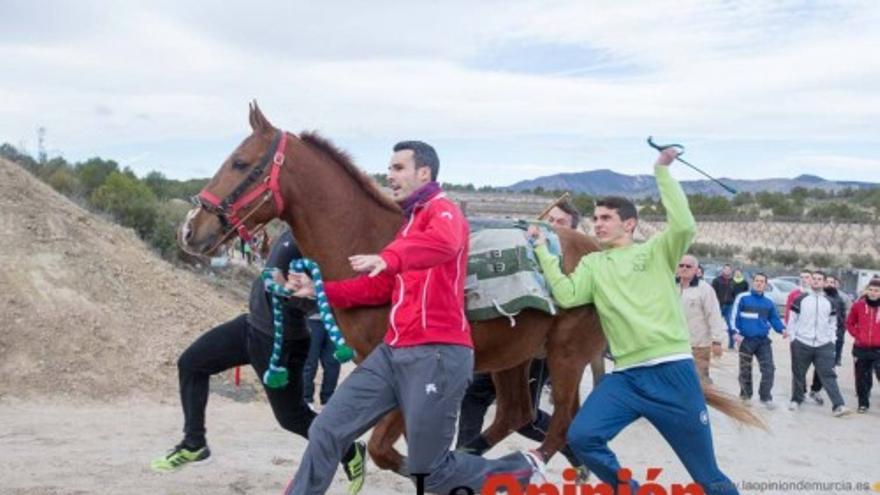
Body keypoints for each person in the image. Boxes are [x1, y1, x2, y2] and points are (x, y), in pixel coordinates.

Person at [284, 141, 544, 495]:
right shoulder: (410, 224)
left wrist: (389, 258)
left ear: (424, 173)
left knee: (430, 472)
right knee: (327, 429)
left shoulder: (444, 211)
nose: (390, 176)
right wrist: (321, 291)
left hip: (436, 354)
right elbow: (381, 289)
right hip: (393, 353)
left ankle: (519, 470)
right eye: (389, 168)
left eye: (398, 168)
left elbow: (445, 245)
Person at [529, 147, 738, 494]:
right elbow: (566, 295)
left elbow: (684, 224)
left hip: (673, 374)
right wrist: (540, 248)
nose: (598, 224)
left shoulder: (656, 251)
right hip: (626, 377)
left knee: (707, 476)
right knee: (582, 437)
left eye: (606, 218)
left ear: (629, 223)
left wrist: (662, 171)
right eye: (596, 218)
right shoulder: (594, 265)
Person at [150, 230, 366, 492]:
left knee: (292, 418)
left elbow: (320, 303)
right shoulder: (291, 229)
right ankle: (194, 444)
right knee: (192, 363)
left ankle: (349, 450)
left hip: (283, 342)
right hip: (251, 326)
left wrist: (292, 291)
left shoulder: (318, 240)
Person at [456, 196, 590, 482]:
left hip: (538, 332)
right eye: (549, 219)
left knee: (523, 418)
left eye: (559, 224)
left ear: (571, 230)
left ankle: (575, 450)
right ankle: (462, 458)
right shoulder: (531, 245)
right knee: (477, 397)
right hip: (511, 329)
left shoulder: (570, 257)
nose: (550, 226)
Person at [786, 271, 851, 416]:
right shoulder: (800, 299)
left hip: (824, 345)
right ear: (810, 282)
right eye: (814, 279)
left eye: (819, 279)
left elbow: (833, 324)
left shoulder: (830, 301)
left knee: (829, 374)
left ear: (823, 282)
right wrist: (793, 339)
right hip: (802, 342)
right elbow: (792, 321)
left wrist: (831, 341)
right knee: (798, 374)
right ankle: (796, 400)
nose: (816, 281)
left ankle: (838, 406)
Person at [729, 273, 785, 409]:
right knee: (745, 370)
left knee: (769, 369)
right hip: (746, 340)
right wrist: (735, 333)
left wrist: (782, 329)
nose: (759, 283)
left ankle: (765, 397)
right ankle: (745, 396)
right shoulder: (742, 298)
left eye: (762, 282)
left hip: (763, 341)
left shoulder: (769, 302)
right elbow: (733, 317)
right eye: (757, 281)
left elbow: (775, 319)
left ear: (766, 285)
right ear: (752, 282)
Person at [677, 254, 727, 384]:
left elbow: (714, 315)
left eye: (688, 266)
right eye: (681, 265)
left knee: (700, 382)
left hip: (698, 346)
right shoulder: (671, 287)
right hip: (675, 345)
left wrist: (717, 341)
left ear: (696, 270)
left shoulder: (705, 289)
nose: (684, 268)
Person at [845, 277, 880, 413]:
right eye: (871, 290)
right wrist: (857, 335)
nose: (873, 293)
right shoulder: (858, 305)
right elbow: (849, 323)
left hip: (878, 349)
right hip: (861, 348)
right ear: (866, 291)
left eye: (877, 291)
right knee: (861, 377)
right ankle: (863, 403)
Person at [302, 311, 342, 410]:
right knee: (310, 363)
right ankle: (306, 400)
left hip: (333, 320)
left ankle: (328, 400)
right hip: (311, 320)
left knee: (333, 363)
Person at [712, 263, 737, 349]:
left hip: (729, 306)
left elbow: (735, 294)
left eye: (728, 269)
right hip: (718, 306)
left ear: (731, 271)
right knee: (715, 325)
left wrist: (732, 302)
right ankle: (714, 343)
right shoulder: (716, 280)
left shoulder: (733, 282)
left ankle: (731, 344)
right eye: (725, 269)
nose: (727, 271)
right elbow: (712, 293)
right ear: (722, 270)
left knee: (731, 325)